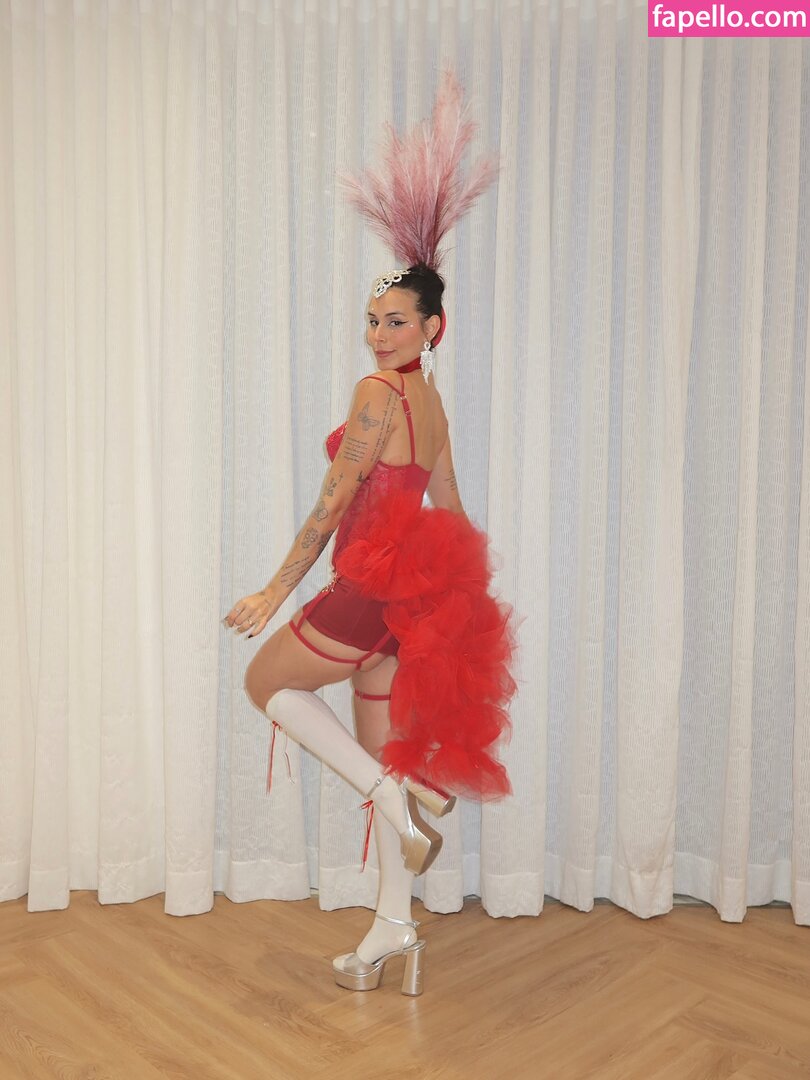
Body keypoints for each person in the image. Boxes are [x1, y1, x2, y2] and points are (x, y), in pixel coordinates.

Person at [222, 72, 516, 996]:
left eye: (395, 321)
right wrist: (456, 606)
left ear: (434, 326)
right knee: (381, 738)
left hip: (369, 586)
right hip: (410, 594)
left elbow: (331, 504)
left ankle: (401, 800)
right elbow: (452, 507)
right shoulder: (429, 403)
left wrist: (274, 589)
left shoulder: (378, 394)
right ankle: (394, 924)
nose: (377, 333)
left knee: (265, 682)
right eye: (371, 319)